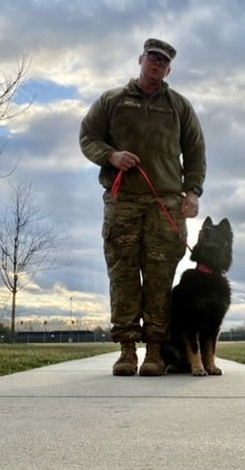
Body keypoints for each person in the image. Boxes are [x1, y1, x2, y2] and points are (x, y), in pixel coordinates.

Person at [79, 38, 206, 376]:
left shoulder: (179, 106)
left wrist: (192, 193)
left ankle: (154, 351)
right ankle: (126, 351)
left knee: (160, 278)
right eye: (152, 58)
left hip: (166, 202)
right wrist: (111, 155)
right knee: (122, 275)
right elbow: (88, 136)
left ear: (169, 69)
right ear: (141, 59)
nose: (157, 65)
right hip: (122, 200)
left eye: (163, 62)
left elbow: (195, 152)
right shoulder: (111, 100)